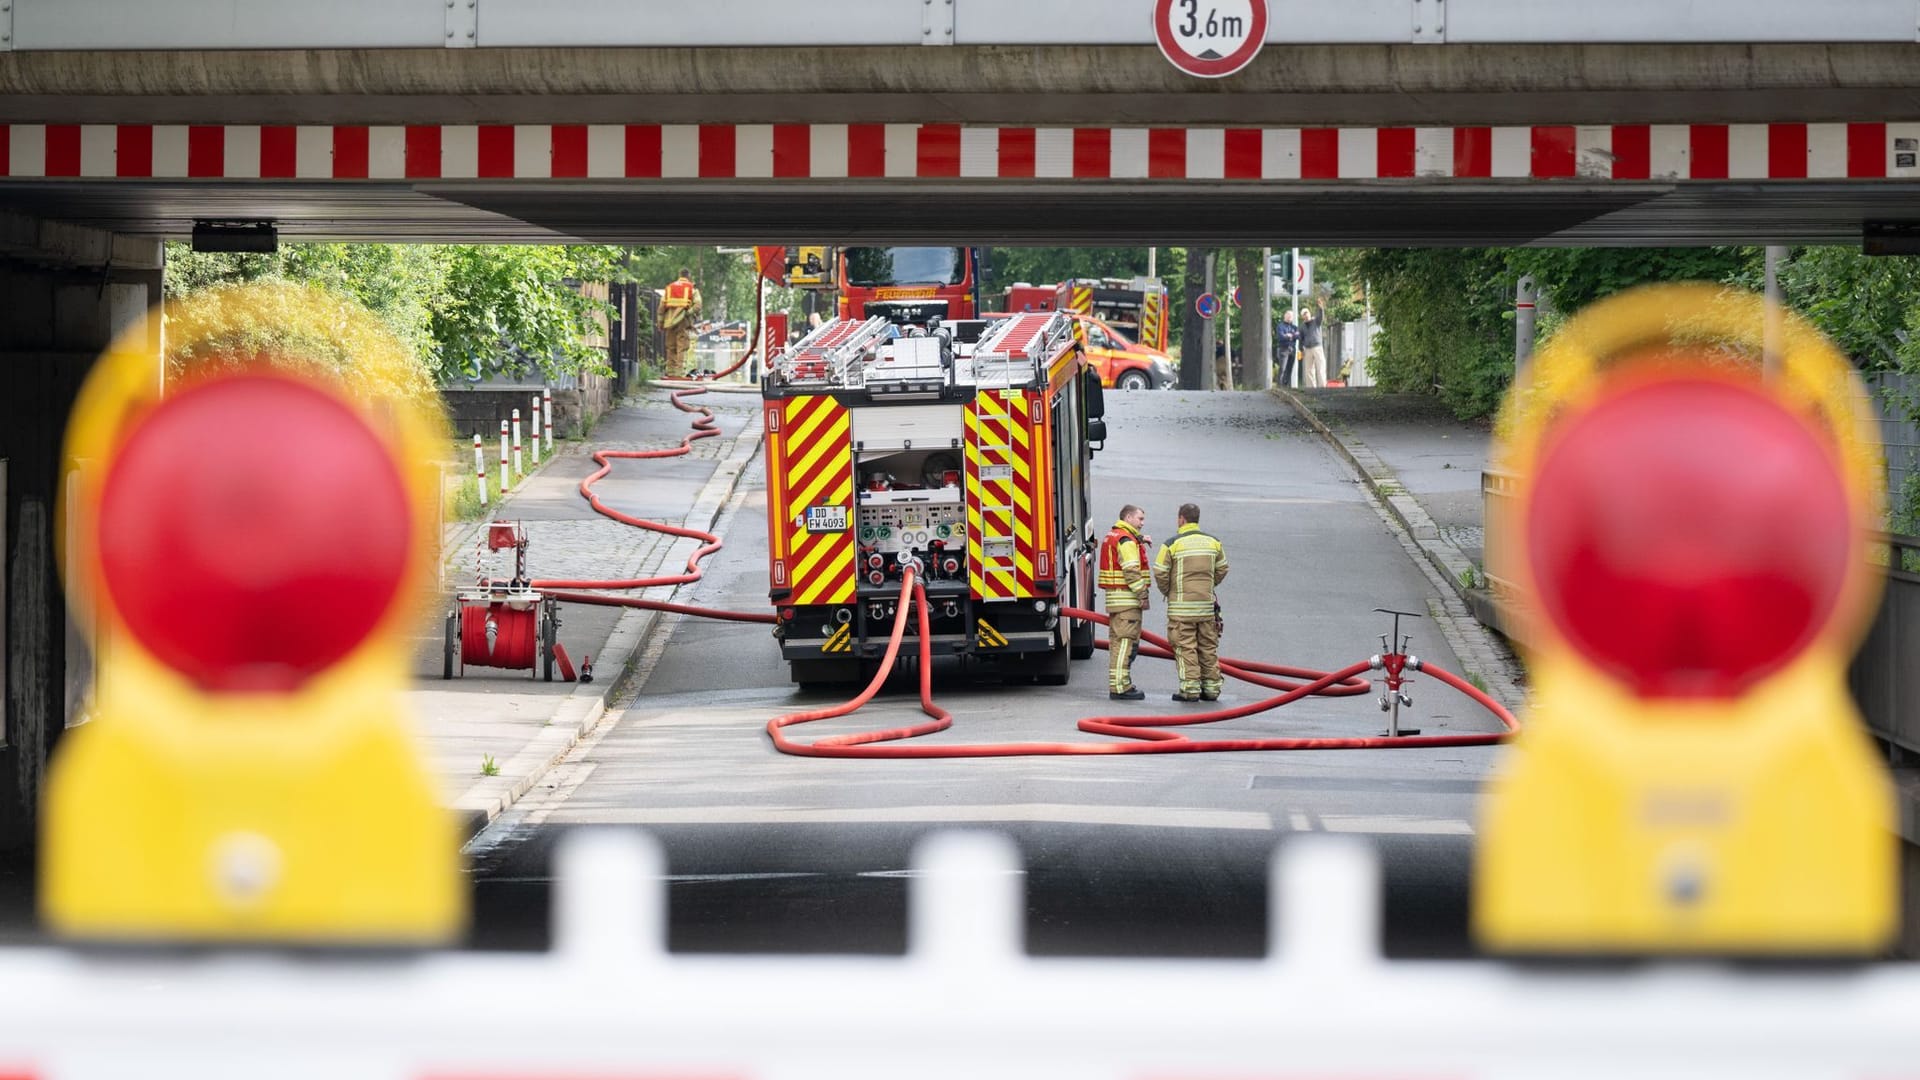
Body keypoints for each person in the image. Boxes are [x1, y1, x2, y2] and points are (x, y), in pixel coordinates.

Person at [1152, 502, 1228, 702]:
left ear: (1181, 519)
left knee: (1185, 648)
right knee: (1208, 647)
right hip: (1205, 608)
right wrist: (1207, 587)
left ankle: (1190, 690)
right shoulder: (1214, 543)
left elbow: (1160, 571)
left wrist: (1169, 591)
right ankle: (1211, 689)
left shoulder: (1171, 544)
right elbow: (1222, 569)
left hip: (1181, 609)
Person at [1097, 505, 1152, 700]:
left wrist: (1140, 539)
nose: (1142, 523)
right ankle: (1120, 687)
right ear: (1128, 518)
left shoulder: (1115, 535)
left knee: (1118, 644)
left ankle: (1120, 684)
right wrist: (1142, 595)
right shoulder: (1126, 540)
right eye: (1140, 519)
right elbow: (1131, 571)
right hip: (1127, 601)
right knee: (1125, 646)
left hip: (1116, 601)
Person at [659, 267, 702, 379]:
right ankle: (679, 372)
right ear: (689, 277)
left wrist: (660, 323)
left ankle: (670, 372)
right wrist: (688, 313)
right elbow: (698, 306)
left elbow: (661, 308)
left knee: (670, 346)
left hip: (669, 322)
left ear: (679, 275)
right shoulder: (692, 289)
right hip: (683, 322)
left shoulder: (669, 288)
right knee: (681, 346)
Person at [1299, 305, 1326, 389]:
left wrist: (1321, 308)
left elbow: (1321, 317)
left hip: (1317, 346)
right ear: (1302, 316)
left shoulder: (1316, 321)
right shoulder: (1302, 326)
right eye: (1303, 314)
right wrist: (1301, 349)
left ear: (1309, 313)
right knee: (1309, 370)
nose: (1305, 315)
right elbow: (1301, 338)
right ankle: (1311, 388)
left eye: (1306, 313)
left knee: (1320, 367)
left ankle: (1322, 386)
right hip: (1307, 349)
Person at [1273, 309, 1300, 387]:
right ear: (1284, 316)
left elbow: (1298, 336)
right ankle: (1280, 386)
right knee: (1282, 368)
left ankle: (1286, 386)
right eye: (1288, 315)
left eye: (1291, 316)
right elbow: (1281, 337)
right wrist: (1291, 336)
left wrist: (1289, 335)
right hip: (1283, 349)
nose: (1289, 317)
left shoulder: (1294, 327)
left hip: (1292, 349)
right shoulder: (1280, 326)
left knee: (1289, 369)